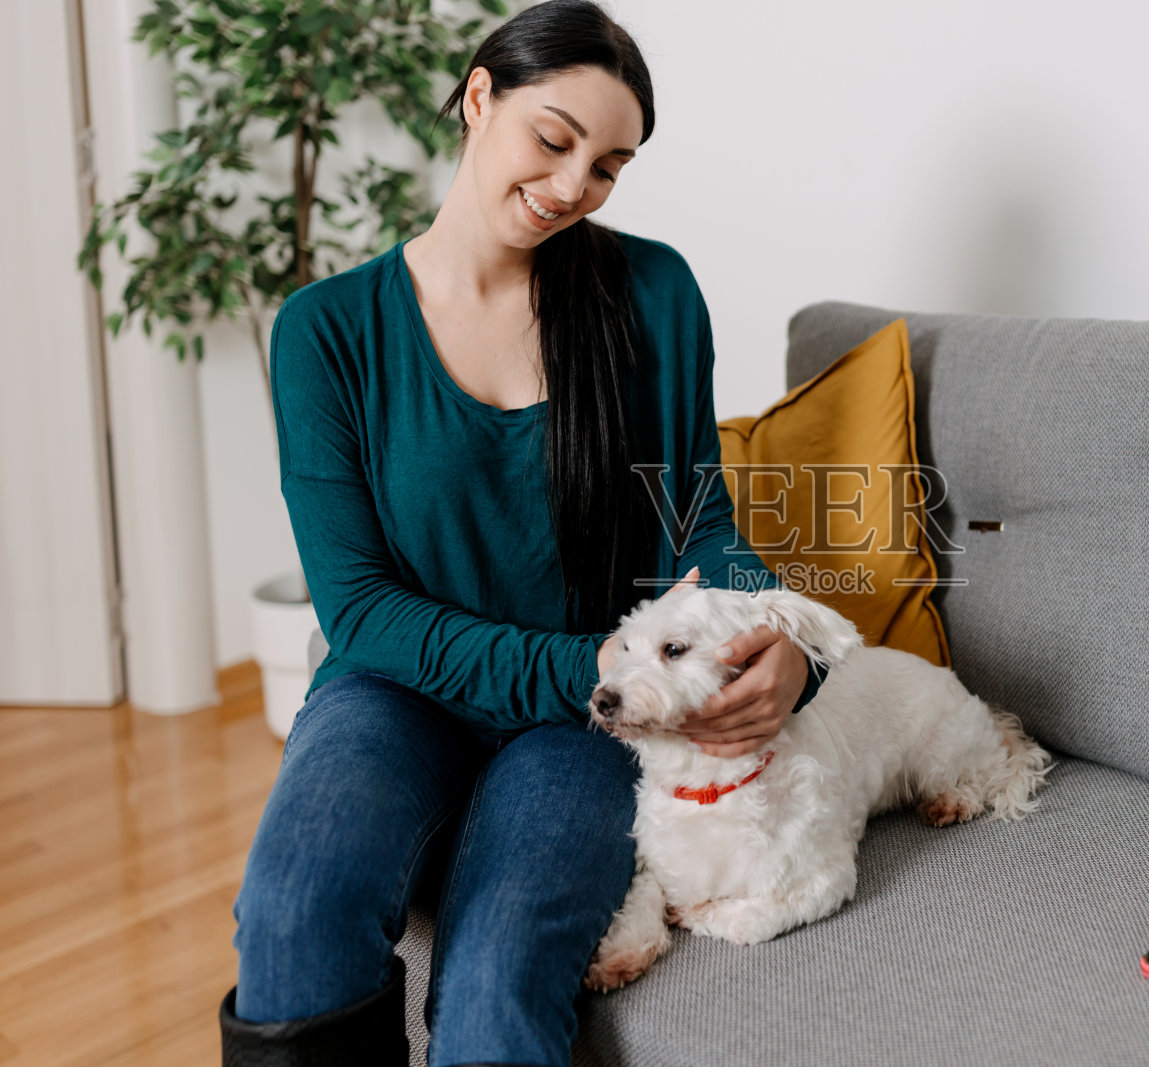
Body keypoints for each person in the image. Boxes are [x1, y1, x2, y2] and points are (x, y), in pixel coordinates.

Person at [218, 2, 828, 1064]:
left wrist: (790, 641)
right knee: (292, 903)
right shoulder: (328, 329)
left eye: (607, 166)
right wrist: (582, 662)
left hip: (585, 722)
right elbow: (358, 609)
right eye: (554, 139)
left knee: (500, 972)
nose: (571, 186)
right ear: (478, 93)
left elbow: (700, 526)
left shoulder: (652, 293)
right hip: (396, 691)